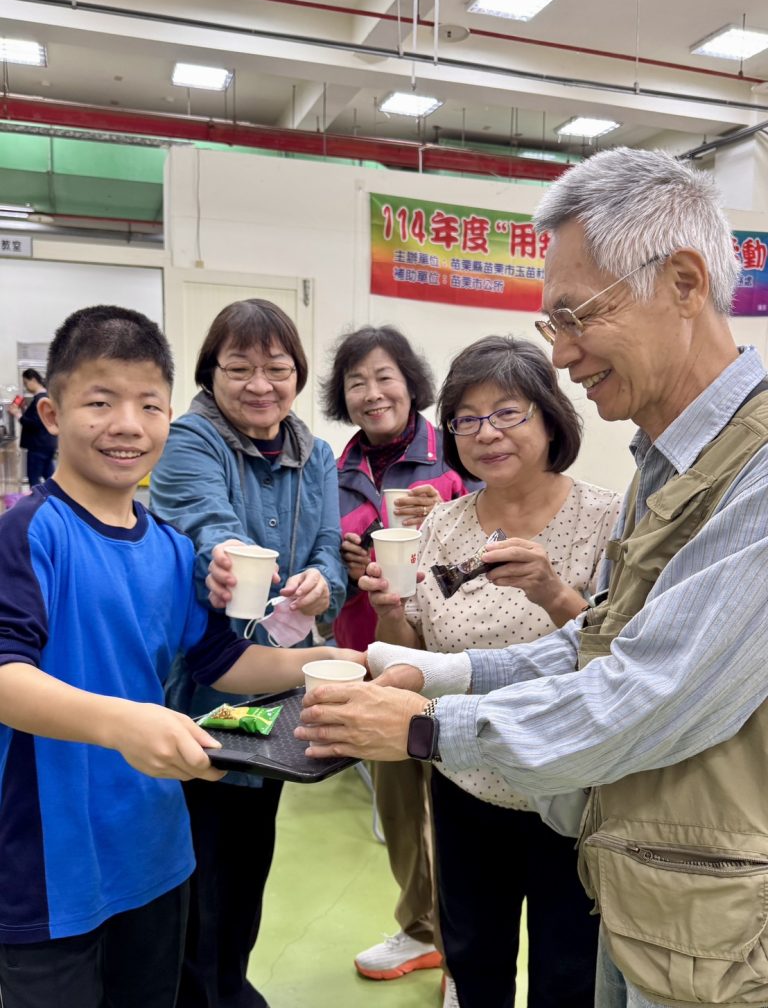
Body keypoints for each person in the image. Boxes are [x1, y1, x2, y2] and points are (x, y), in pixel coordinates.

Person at [296, 147, 768, 1008]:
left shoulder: (753, 471)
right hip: (639, 878)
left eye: (576, 317)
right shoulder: (665, 466)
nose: (564, 355)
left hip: (718, 928)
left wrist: (427, 727)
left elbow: (647, 692)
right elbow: (598, 639)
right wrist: (436, 674)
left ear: (684, 283)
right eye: (552, 326)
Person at [0, 304, 363, 1008]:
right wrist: (125, 724)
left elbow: (221, 661)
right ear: (51, 414)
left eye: (148, 405)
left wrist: (347, 660)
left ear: (168, 417)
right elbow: (8, 675)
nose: (127, 425)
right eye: (99, 402)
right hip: (51, 865)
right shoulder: (28, 533)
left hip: (156, 856)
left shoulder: (167, 548)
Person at [359, 334, 620, 1008]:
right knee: (473, 959)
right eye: (466, 419)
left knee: (569, 972)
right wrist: (388, 612)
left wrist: (552, 592)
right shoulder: (441, 525)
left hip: (569, 787)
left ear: (549, 419)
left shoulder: (606, 518)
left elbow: (619, 653)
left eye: (507, 412)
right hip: (463, 776)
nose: (486, 433)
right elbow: (415, 649)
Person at [150, 298, 347, 1008]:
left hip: (275, 695)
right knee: (194, 861)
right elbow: (209, 524)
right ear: (211, 372)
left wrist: (323, 582)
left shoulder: (314, 454)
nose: (260, 385)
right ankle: (200, 991)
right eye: (239, 368)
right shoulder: (190, 440)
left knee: (248, 856)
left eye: (277, 369)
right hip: (200, 688)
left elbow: (329, 548)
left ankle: (228, 982)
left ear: (298, 375)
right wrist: (227, 560)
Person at [321, 325, 471, 982]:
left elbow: (497, 541)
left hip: (448, 659)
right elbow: (319, 568)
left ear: (411, 383)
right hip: (370, 654)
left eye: (385, 377)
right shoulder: (335, 471)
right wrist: (344, 564)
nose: (372, 393)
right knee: (399, 808)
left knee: (460, 809)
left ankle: (468, 953)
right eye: (356, 382)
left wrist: (452, 510)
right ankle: (420, 930)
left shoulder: (455, 457)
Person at [9, 367, 57, 483]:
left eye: (26, 383)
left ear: (33, 380)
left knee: (34, 479)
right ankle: (54, 494)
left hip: (38, 445)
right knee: (50, 478)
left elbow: (35, 423)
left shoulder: (40, 400)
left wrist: (18, 414)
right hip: (47, 443)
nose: (26, 387)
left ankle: (39, 496)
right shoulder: (46, 397)